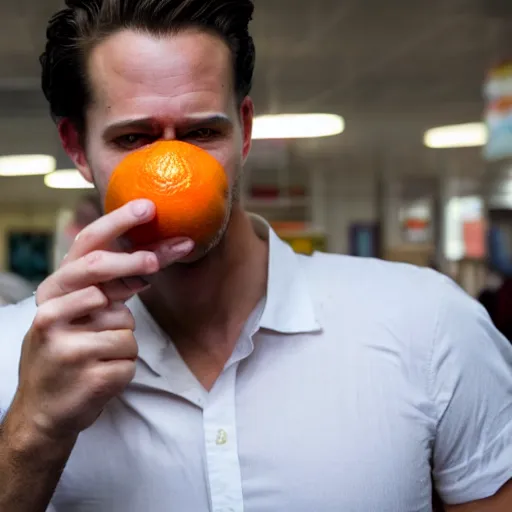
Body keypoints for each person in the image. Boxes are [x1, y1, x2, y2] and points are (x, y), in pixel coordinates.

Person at [0, 1, 511, 511]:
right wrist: (33, 430)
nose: (175, 167)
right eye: (135, 138)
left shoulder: (429, 322)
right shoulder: (10, 356)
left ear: (244, 130)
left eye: (202, 133)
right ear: (78, 147)